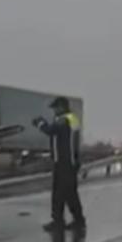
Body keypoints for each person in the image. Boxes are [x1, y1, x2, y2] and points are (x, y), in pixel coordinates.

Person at [33, 97, 86, 231]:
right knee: (67, 193)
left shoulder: (66, 119)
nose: (54, 111)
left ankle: (62, 221)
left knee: (62, 194)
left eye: (55, 108)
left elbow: (51, 130)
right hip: (64, 162)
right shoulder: (71, 118)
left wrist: (40, 123)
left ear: (62, 107)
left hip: (66, 163)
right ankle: (74, 220)